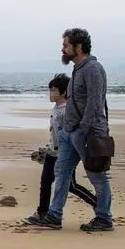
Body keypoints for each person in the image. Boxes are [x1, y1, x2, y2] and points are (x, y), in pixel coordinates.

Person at [26, 28, 114, 232]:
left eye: (66, 45)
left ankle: (104, 218)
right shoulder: (78, 69)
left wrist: (83, 129)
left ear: (78, 47)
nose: (62, 49)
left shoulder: (93, 68)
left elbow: (95, 103)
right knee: (61, 174)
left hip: (88, 133)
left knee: (96, 176)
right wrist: (68, 130)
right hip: (70, 133)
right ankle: (54, 215)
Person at [22, 73, 96, 223]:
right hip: (52, 152)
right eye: (50, 90)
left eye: (53, 90)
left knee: (71, 186)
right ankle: (42, 212)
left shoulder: (67, 110)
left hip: (65, 153)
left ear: (63, 92)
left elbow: (70, 133)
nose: (50, 93)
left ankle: (97, 203)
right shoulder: (55, 109)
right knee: (45, 182)